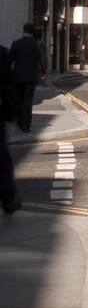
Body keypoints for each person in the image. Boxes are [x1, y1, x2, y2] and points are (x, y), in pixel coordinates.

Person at [10, 23, 44, 134]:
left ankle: (20, 122)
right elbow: (42, 60)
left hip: (18, 77)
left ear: (23, 30)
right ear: (32, 31)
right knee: (28, 102)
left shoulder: (16, 43)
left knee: (19, 100)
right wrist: (42, 72)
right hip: (31, 77)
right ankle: (26, 126)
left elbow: (10, 61)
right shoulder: (36, 44)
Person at [0, 45, 21, 214]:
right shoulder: (1, 53)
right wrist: (13, 113)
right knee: (2, 160)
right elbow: (7, 86)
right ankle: (8, 199)